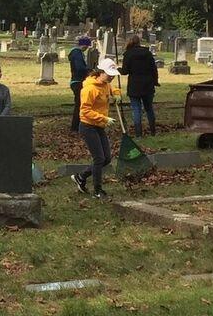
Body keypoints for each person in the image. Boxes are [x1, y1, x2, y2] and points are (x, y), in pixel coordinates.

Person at [74, 57, 119, 198]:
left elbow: (112, 88)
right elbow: (84, 111)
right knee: (99, 158)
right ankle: (98, 190)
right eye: (109, 74)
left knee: (107, 158)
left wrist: (116, 94)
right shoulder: (89, 89)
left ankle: (81, 176)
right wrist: (104, 118)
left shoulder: (105, 83)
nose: (111, 77)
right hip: (88, 126)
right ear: (100, 72)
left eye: (113, 75)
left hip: (99, 126)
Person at [120, 34, 159, 135]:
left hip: (134, 85)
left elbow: (124, 71)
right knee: (149, 108)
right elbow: (154, 69)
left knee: (136, 109)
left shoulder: (128, 54)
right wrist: (155, 81)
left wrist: (118, 69)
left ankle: (138, 133)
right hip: (147, 84)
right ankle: (153, 131)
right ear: (139, 42)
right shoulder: (147, 53)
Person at [68, 36, 92, 132]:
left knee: (80, 104)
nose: (86, 48)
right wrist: (89, 70)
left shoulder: (77, 53)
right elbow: (80, 68)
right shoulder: (76, 53)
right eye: (86, 46)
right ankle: (75, 127)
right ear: (82, 45)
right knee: (80, 105)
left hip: (77, 81)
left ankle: (77, 126)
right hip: (78, 81)